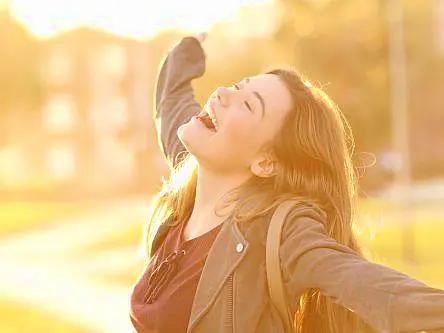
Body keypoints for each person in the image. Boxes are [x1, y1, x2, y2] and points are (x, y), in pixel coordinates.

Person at [129, 34, 444, 333]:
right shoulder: (188, 182)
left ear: (266, 162)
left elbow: (366, 284)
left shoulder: (280, 230)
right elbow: (172, 102)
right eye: (238, 86)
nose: (222, 93)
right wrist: (188, 50)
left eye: (248, 104)